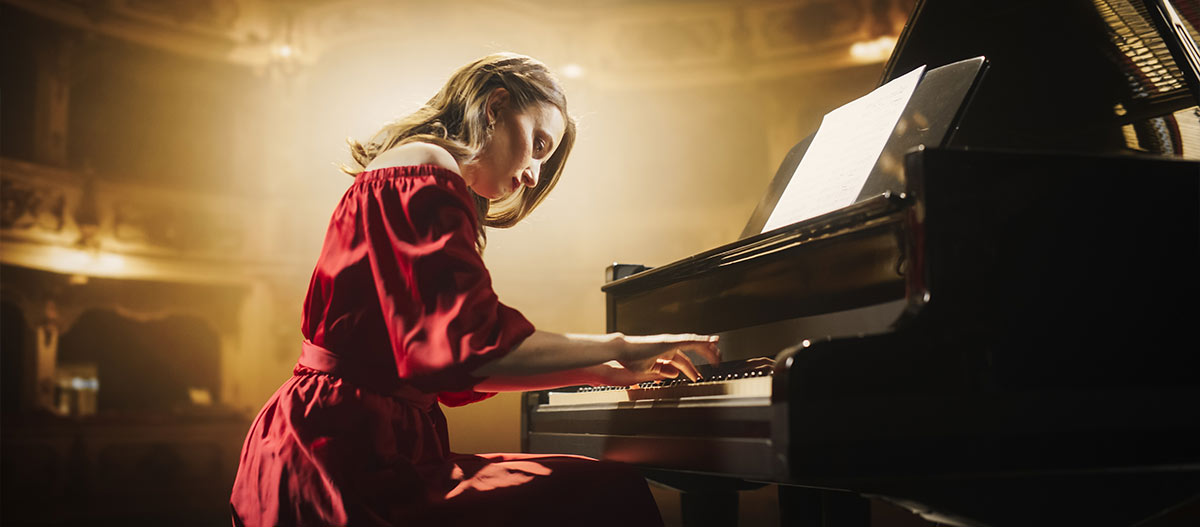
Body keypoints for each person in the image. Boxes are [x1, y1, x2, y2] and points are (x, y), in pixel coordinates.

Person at [230, 52, 720, 526]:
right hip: (341, 455)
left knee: (597, 488)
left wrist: (600, 372)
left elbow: (456, 368)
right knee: (604, 492)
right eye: (539, 145)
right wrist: (622, 344)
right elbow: (471, 347)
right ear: (495, 106)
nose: (533, 176)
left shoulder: (417, 171)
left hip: (353, 439)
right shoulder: (424, 165)